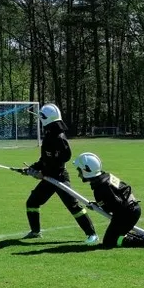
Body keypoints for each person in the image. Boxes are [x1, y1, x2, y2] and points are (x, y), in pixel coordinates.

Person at [15, 104, 98, 243]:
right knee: (32, 202)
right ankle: (35, 232)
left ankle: (92, 234)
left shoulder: (59, 138)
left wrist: (41, 173)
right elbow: (45, 160)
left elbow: (63, 159)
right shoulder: (49, 135)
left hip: (59, 178)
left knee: (73, 206)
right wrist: (32, 168)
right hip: (49, 178)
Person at [71, 152, 144, 248]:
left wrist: (102, 205)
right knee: (113, 237)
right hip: (131, 209)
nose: (78, 175)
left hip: (127, 213)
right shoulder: (106, 177)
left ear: (86, 170)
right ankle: (136, 236)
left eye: (79, 171)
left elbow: (116, 206)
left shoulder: (100, 188)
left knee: (110, 242)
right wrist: (99, 204)